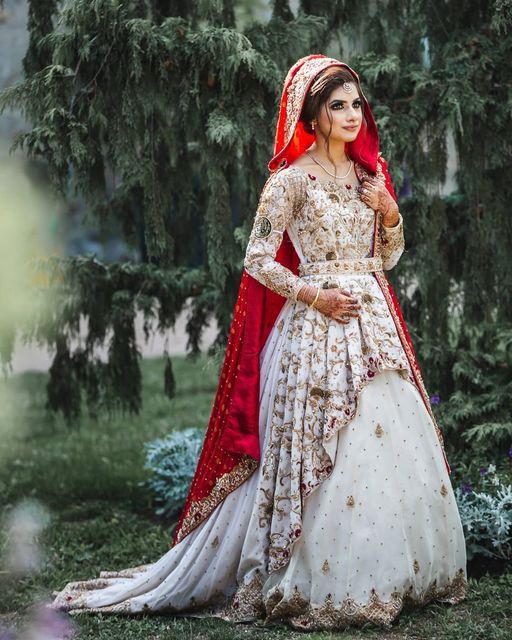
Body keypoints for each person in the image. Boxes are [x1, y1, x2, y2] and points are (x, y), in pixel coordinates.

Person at [50, 54, 468, 631]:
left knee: (387, 438)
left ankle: (396, 572)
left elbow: (387, 258)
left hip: (373, 325)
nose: (353, 115)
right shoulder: (290, 180)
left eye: (356, 105)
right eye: (338, 106)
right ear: (312, 117)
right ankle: (320, 578)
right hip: (316, 326)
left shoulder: (371, 175)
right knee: (325, 444)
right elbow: (257, 260)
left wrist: (391, 215)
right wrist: (314, 295)